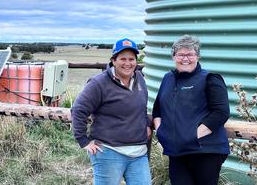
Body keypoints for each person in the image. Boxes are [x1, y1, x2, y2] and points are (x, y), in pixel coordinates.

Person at [71, 38, 152, 185]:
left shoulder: (140, 78)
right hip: (109, 151)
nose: (127, 63)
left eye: (131, 59)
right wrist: (83, 141)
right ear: (113, 60)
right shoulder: (99, 83)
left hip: (139, 152)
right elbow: (78, 109)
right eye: (122, 59)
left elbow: (141, 107)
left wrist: (145, 124)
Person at [152, 35, 230, 185]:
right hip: (177, 152)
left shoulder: (210, 79)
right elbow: (158, 110)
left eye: (190, 54)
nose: (185, 58)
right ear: (174, 56)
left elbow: (221, 113)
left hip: (205, 151)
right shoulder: (168, 79)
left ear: (198, 56)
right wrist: (161, 132)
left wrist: (192, 136)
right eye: (181, 54)